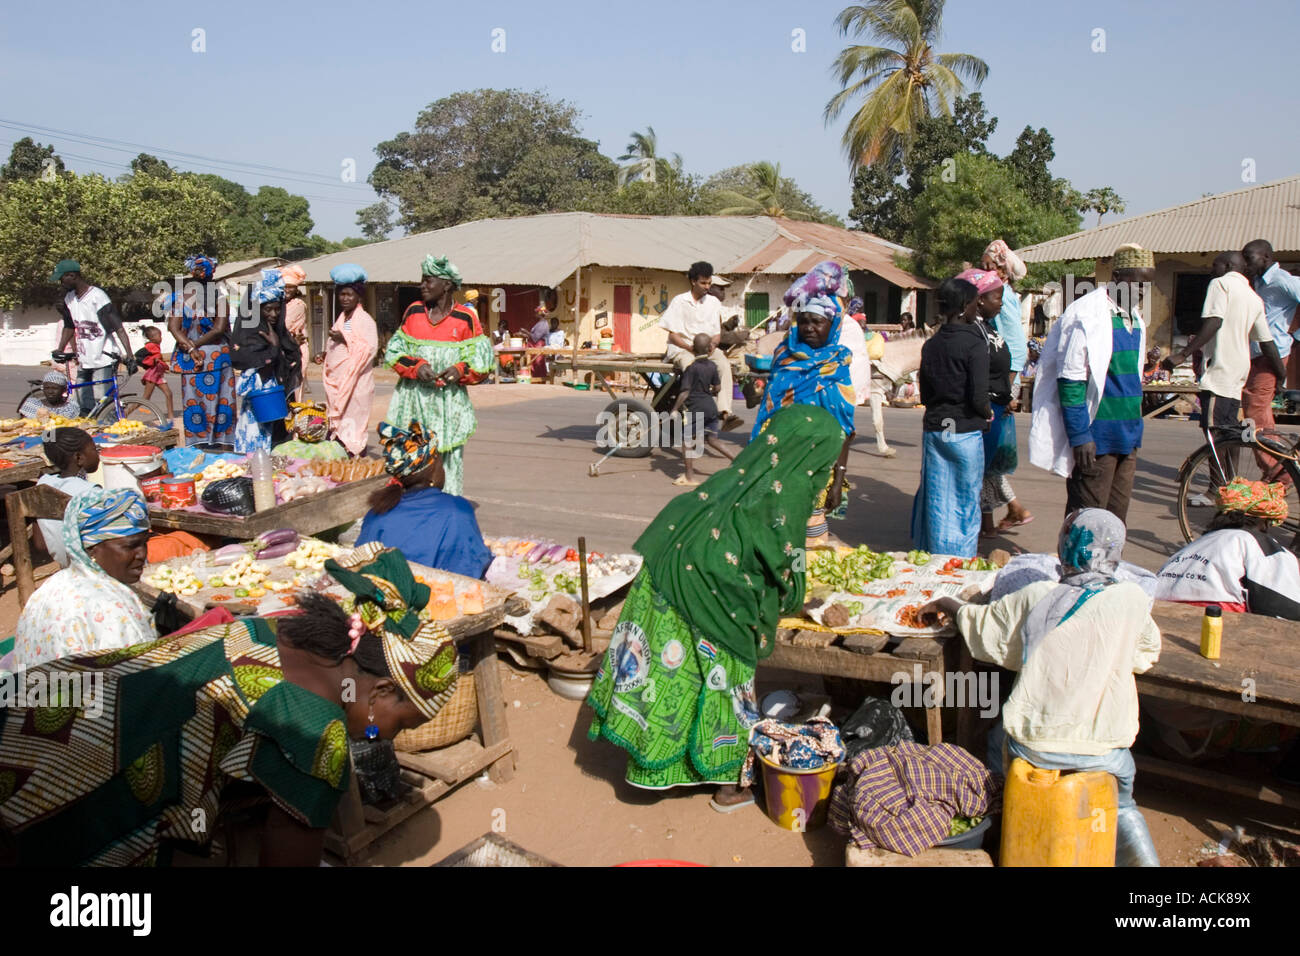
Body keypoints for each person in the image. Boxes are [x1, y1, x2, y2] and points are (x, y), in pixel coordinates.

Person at [0, 545, 459, 866]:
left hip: (41, 706)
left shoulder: (273, 630)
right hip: (74, 776)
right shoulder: (321, 735)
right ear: (379, 692)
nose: (384, 737)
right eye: (399, 724)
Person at [586, 406, 844, 810]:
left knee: (668, 672)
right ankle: (728, 783)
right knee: (725, 675)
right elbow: (785, 556)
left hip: (666, 567)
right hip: (713, 584)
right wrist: (797, 597)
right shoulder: (790, 487)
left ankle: (651, 767)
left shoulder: (743, 472)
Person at [920, 508, 1162, 867]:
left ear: (1065, 551)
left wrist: (947, 603)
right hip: (1105, 751)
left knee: (993, 742)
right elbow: (1145, 655)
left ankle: (1004, 829)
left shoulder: (1036, 597)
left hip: (1033, 751)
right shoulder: (1131, 600)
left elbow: (983, 631)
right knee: (1123, 807)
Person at [1029, 243, 1154, 522]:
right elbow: (1071, 381)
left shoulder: (1135, 319)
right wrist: (1080, 436)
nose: (1144, 290)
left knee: (1115, 524)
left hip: (1128, 437)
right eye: (1139, 282)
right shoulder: (1087, 315)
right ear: (1119, 277)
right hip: (1097, 440)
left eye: (1149, 283)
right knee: (1087, 521)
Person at [752, 261, 858, 545]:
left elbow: (844, 430)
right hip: (774, 465)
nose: (810, 328)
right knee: (771, 538)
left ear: (832, 324)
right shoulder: (784, 356)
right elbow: (768, 410)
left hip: (814, 471)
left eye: (818, 321)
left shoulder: (836, 367)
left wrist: (838, 481)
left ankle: (801, 584)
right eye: (804, 321)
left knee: (809, 543)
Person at [1164, 251, 1278, 486]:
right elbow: (1265, 341)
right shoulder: (1253, 296)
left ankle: (1215, 489)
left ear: (1227, 266)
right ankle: (1230, 482)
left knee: (1214, 432)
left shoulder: (1220, 284)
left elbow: (1214, 321)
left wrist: (1182, 354)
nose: (1210, 270)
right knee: (1230, 432)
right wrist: (1282, 372)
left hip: (1219, 371)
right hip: (1238, 373)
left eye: (1214, 265)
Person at [12, 487, 156, 670]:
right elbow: (138, 676)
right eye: (131, 546)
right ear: (90, 548)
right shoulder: (114, 609)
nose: (142, 554)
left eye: (145, 542)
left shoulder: (50, 587)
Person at [385, 256, 494, 495]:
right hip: (413, 400)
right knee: (411, 454)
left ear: (446, 285)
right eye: (422, 280)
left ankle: (447, 503)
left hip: (448, 403)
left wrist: (459, 370)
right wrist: (416, 367)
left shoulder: (466, 317)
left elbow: (481, 361)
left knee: (447, 458)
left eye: (428, 280)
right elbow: (394, 352)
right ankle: (408, 504)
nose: (422, 285)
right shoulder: (413, 313)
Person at [911, 276, 990, 558]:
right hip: (965, 431)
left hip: (937, 429)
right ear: (964, 306)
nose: (976, 309)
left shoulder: (930, 345)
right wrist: (988, 414)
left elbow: (925, 395)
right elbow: (979, 398)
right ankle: (959, 560)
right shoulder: (975, 345)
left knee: (938, 497)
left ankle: (934, 555)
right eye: (973, 304)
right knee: (965, 499)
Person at [356, 421, 492, 579]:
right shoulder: (458, 509)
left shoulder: (377, 514)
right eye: (441, 464)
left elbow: (361, 566)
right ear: (433, 470)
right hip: (444, 596)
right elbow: (473, 564)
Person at [1154, 477, 1300, 619]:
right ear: (1266, 521)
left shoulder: (1199, 543)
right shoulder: (1258, 543)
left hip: (1158, 609)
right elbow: (1286, 606)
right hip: (1214, 618)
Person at [958, 268, 1034, 537]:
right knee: (973, 476)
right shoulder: (969, 333)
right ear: (978, 300)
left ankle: (983, 527)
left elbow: (1014, 354)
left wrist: (1006, 394)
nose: (1000, 302)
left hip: (994, 410)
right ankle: (970, 533)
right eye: (996, 297)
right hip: (981, 414)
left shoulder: (988, 327)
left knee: (983, 471)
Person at [1241, 240, 1300, 482]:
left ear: (1265, 257)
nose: (1247, 264)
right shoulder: (1257, 283)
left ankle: (1279, 472)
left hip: (1273, 354)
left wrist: (1294, 336)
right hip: (1256, 354)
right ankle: (1274, 467)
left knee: (1254, 410)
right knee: (1257, 410)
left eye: (1250, 258)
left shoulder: (1283, 280)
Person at [661, 261, 742, 431]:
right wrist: (690, 347)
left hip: (706, 349)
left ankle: (725, 412)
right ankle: (695, 413)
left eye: (709, 283)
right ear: (693, 282)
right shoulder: (679, 301)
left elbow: (717, 334)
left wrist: (713, 344)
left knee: (724, 366)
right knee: (694, 369)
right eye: (703, 283)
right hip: (683, 349)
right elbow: (673, 335)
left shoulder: (713, 303)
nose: (707, 287)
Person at [51, 259, 137, 415]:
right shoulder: (69, 299)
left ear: (72, 276)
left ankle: (111, 433)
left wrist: (130, 356)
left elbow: (118, 328)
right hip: (85, 359)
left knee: (102, 402)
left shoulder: (98, 297)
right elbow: (69, 326)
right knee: (82, 402)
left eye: (62, 278)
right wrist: (60, 349)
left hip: (103, 358)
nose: (60, 282)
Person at [231, 269, 302, 454]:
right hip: (263, 404)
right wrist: (274, 349)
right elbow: (258, 369)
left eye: (278, 308)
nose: (274, 314)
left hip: (279, 401)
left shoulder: (278, 332)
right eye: (267, 309)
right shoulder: (252, 335)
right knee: (264, 450)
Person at [167, 254, 235, 446]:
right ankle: (221, 445)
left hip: (192, 360)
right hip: (217, 358)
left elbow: (173, 327)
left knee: (194, 404)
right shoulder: (219, 296)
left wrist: (190, 348)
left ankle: (198, 445)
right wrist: (194, 346)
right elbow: (219, 329)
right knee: (221, 405)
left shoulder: (182, 297)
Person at [317, 264, 377, 457]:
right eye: (342, 294)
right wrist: (325, 354)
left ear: (358, 296)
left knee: (354, 424)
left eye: (349, 295)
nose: (345, 299)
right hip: (339, 383)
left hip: (356, 383)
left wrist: (344, 339)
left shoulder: (365, 320)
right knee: (339, 426)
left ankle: (356, 461)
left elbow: (368, 349)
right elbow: (338, 348)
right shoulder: (342, 319)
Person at [670, 332, 737, 486]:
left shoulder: (691, 368)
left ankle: (689, 477)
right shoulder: (713, 366)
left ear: (693, 348)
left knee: (687, 441)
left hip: (697, 408)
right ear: (710, 349)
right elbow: (718, 387)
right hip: (711, 407)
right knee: (712, 439)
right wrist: (709, 392)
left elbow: (685, 392)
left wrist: (674, 409)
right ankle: (739, 462)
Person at [30, 427, 99, 567]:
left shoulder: (43, 484)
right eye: (94, 449)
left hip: (65, 563)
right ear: (79, 457)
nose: (98, 454)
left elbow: (40, 544)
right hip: (93, 565)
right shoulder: (90, 492)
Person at [844, 296, 895, 457]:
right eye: (860, 322)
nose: (863, 325)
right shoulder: (847, 333)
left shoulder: (873, 338)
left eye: (863, 322)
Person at [981, 239, 1029, 379]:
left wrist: (1009, 380)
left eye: (989, 267)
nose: (984, 271)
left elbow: (1015, 341)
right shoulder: (1000, 293)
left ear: (1002, 270)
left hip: (1006, 372)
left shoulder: (1002, 297)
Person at [281, 264, 311, 400]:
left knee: (294, 389)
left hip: (295, 348)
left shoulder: (297, 305)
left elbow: (284, 326)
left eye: (291, 286)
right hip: (285, 346)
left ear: (296, 288)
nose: (287, 289)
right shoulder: (281, 304)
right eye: (285, 286)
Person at [136, 325, 176, 420]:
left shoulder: (156, 346)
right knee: (145, 398)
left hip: (158, 375)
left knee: (169, 393)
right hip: (152, 375)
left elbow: (159, 361)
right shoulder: (150, 346)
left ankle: (171, 416)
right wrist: (150, 361)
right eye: (159, 335)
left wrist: (165, 367)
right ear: (152, 338)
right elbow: (138, 355)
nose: (161, 338)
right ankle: (126, 413)